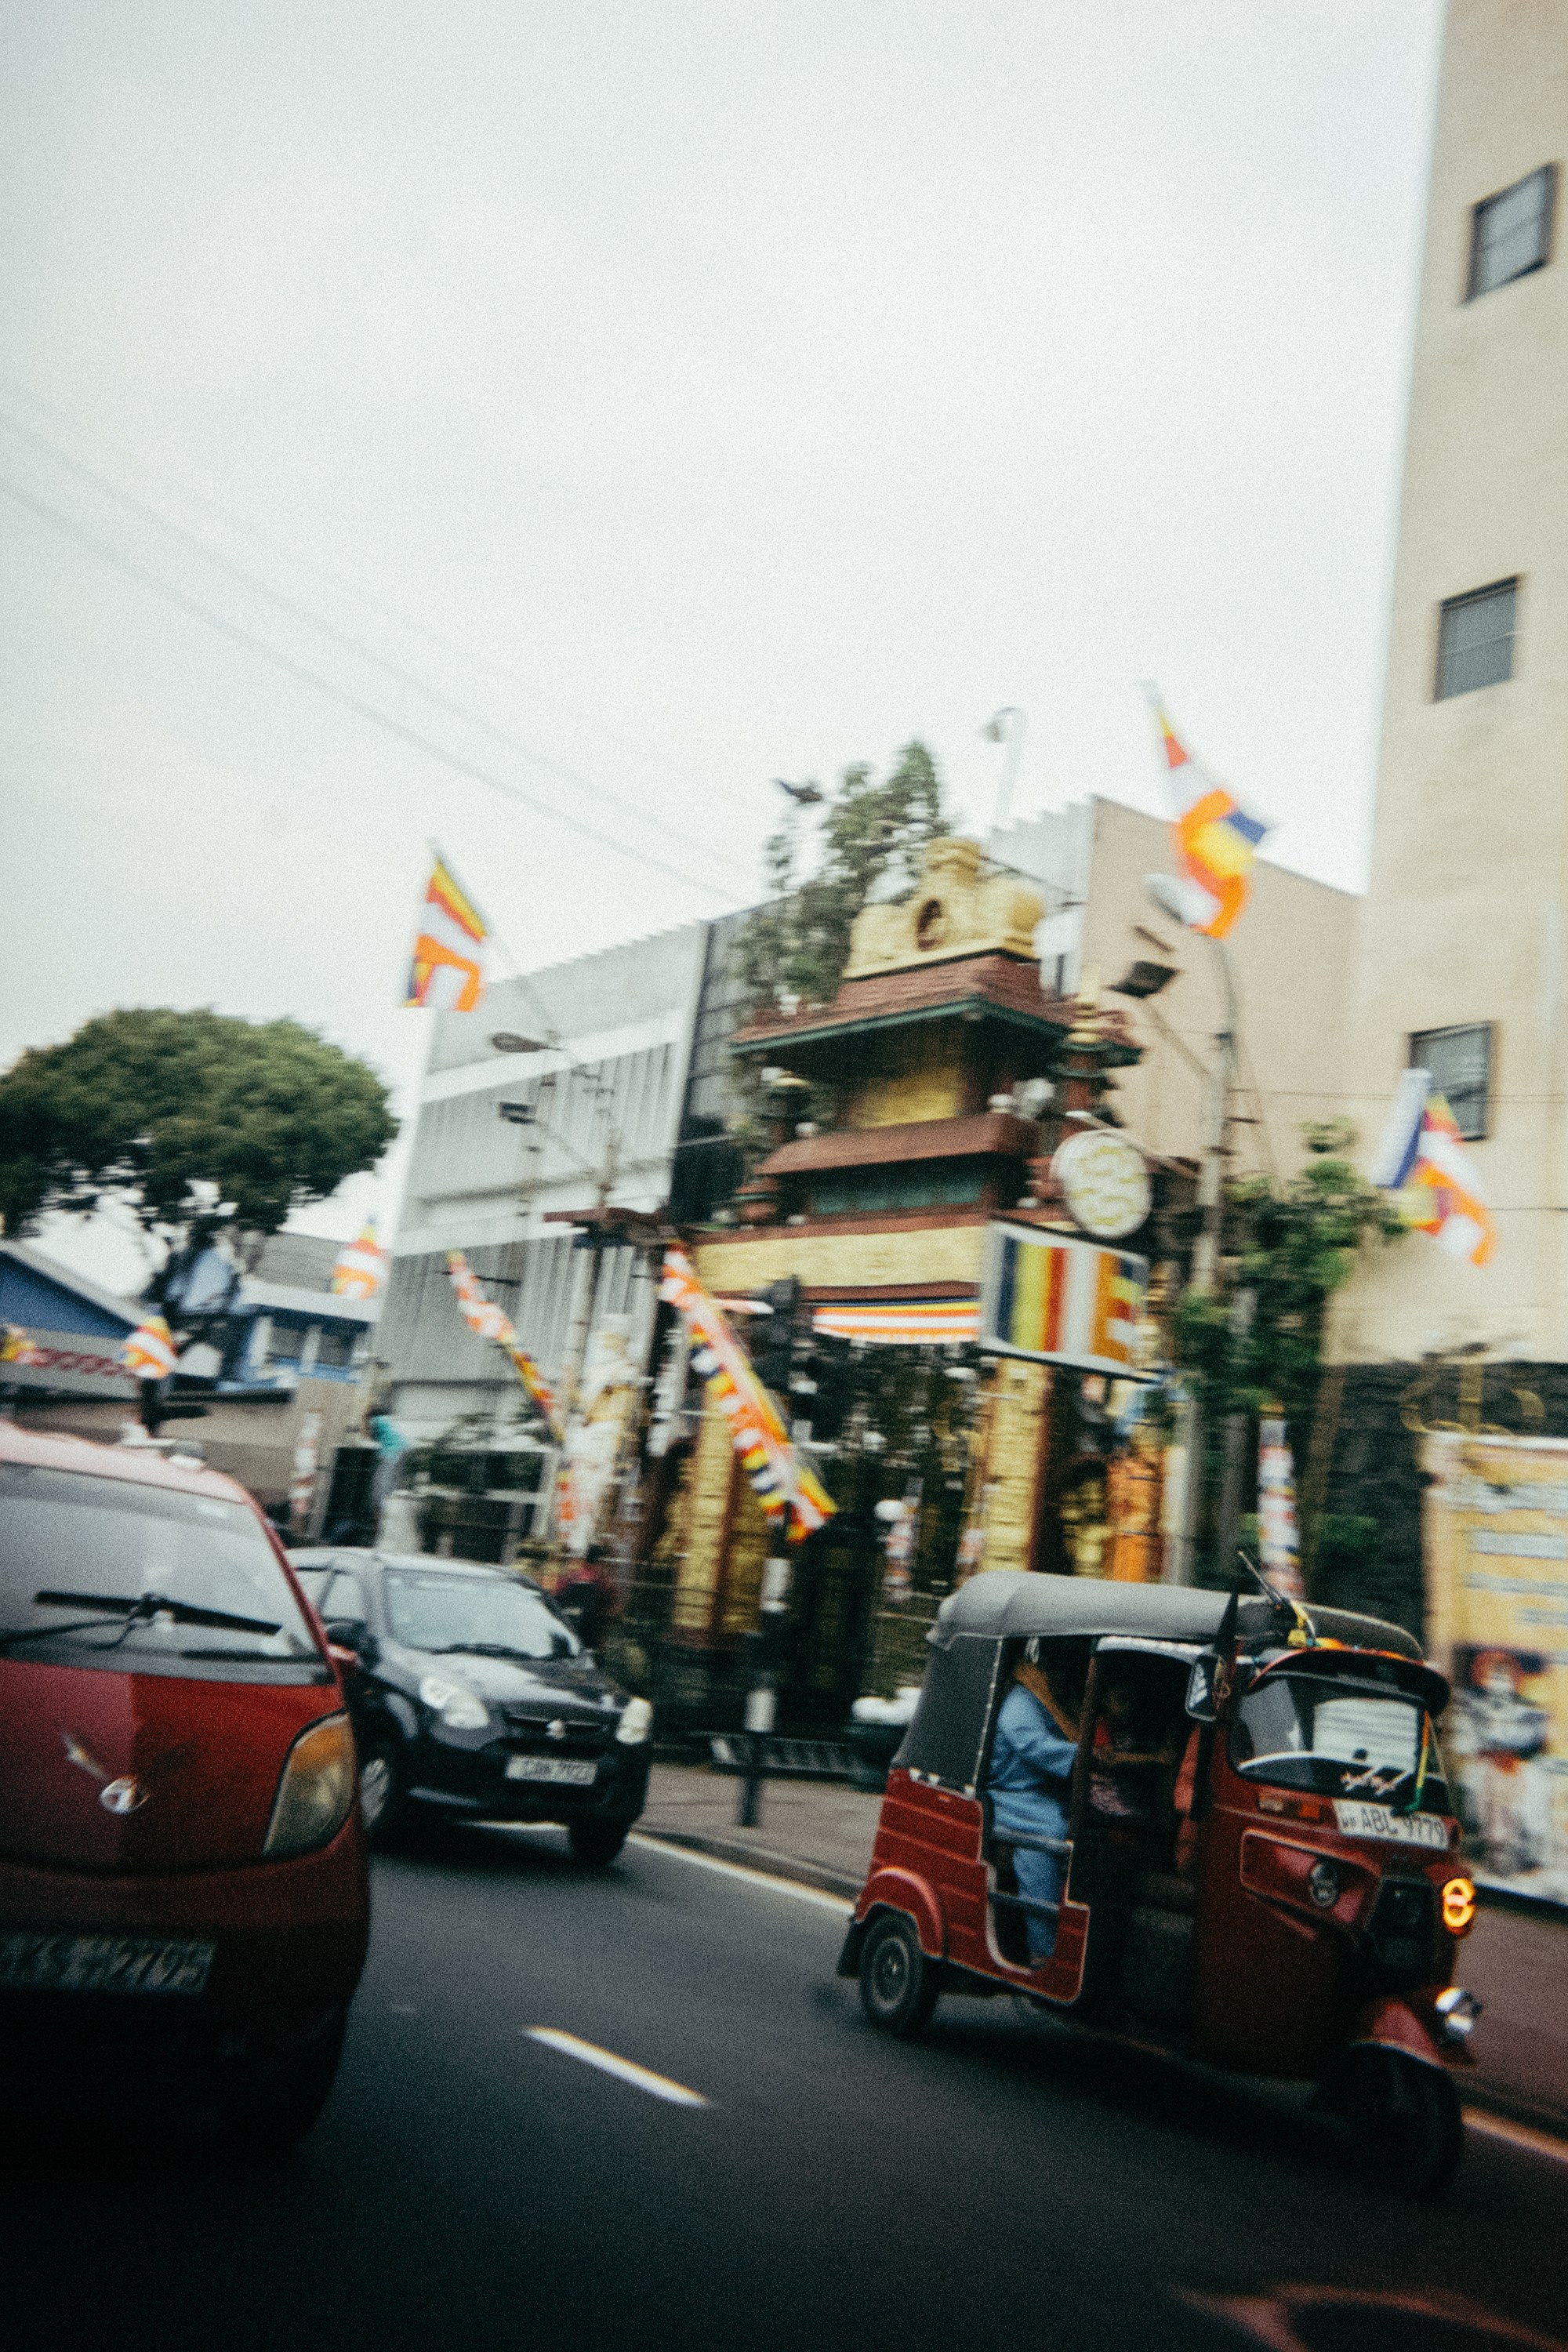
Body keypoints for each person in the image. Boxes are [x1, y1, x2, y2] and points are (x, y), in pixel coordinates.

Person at [986, 1641, 1082, 1961]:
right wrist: (1083, 1757)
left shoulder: (1048, 1701)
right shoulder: (1021, 1702)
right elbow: (1035, 1747)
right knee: (1050, 1835)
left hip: (1042, 1794)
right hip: (1013, 1797)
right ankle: (1044, 1949)